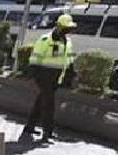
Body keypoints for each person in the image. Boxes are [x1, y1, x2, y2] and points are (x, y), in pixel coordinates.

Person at [19, 13, 76, 144]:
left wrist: (71, 73)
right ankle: (47, 133)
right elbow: (35, 58)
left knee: (41, 102)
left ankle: (29, 128)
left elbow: (70, 58)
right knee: (49, 104)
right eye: (66, 28)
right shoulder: (45, 39)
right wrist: (35, 75)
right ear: (59, 26)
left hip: (57, 77)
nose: (68, 31)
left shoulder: (67, 42)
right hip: (44, 76)